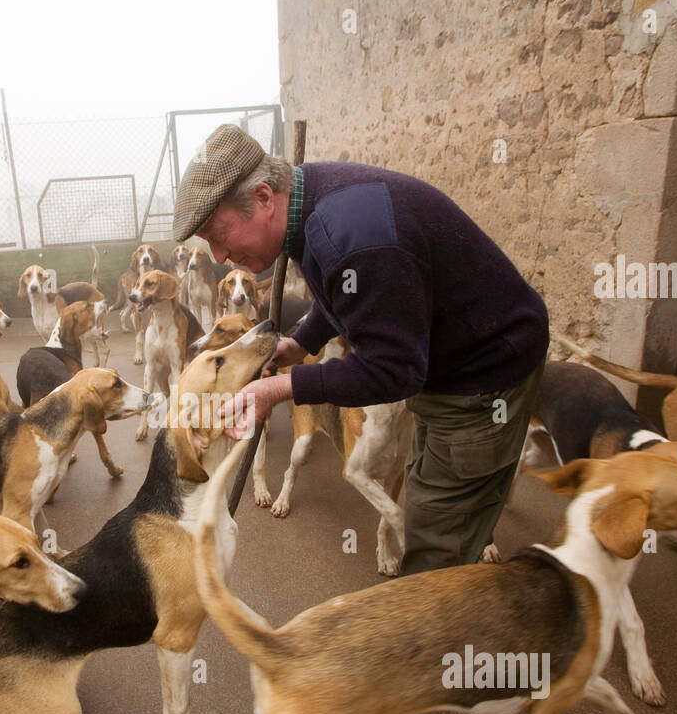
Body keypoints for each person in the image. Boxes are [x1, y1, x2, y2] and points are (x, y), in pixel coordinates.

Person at [172, 124, 549, 575]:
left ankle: (436, 629)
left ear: (264, 198)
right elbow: (351, 296)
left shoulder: (347, 234)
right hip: (446, 363)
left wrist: (280, 387)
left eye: (218, 235)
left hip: (485, 373)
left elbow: (393, 371)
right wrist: (302, 341)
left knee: (435, 554)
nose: (217, 256)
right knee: (425, 498)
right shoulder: (310, 206)